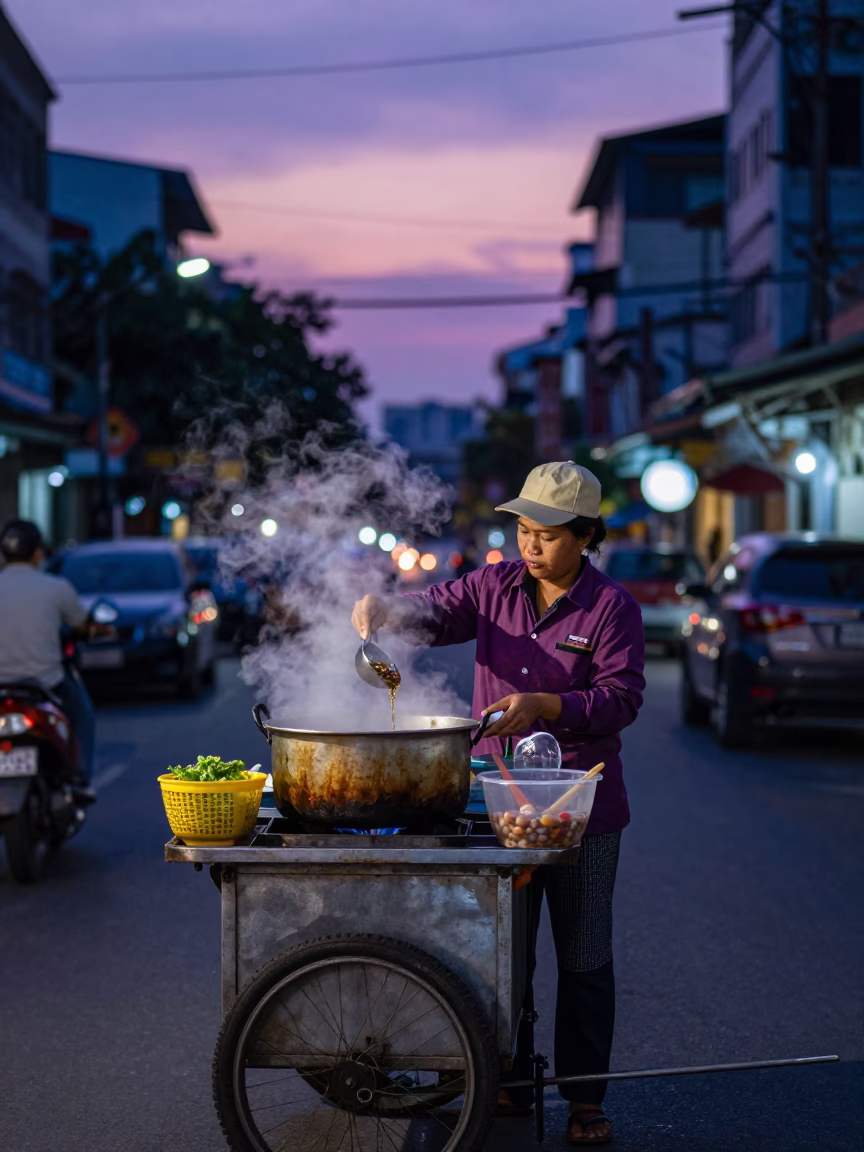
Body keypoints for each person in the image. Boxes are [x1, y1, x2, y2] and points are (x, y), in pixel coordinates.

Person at [352, 461, 645, 1145]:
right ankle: (506, 1082)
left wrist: (547, 705)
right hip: (499, 801)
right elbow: (433, 614)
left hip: (580, 806)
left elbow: (621, 698)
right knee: (501, 954)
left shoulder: (612, 608)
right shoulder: (492, 585)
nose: (530, 545)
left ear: (584, 536)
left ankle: (583, 1098)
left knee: (583, 955)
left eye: (546, 535)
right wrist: (386, 610)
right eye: (522, 530)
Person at [0, 520, 97, 787]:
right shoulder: (55, 587)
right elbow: (82, 624)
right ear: (37, 553)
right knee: (83, 714)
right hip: (45, 683)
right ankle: (80, 775)